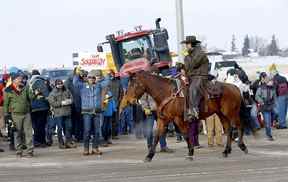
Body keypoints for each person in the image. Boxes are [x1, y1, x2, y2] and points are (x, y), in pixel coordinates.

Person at [3, 72, 34, 157]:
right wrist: (6, 115)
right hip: (15, 115)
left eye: (21, 78)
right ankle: (19, 151)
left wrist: (31, 90)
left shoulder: (26, 87)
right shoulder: (8, 90)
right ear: (14, 80)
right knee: (17, 133)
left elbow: (32, 98)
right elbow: (6, 104)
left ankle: (30, 151)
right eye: (19, 78)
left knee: (28, 133)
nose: (21, 80)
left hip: (26, 113)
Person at [75, 70, 104, 156]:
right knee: (87, 131)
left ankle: (95, 148)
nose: (91, 79)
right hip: (87, 112)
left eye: (93, 77)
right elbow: (75, 82)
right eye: (90, 77)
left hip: (97, 112)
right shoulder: (83, 86)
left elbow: (107, 81)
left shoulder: (99, 86)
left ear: (95, 79)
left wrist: (101, 74)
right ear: (87, 79)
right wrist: (77, 74)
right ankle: (86, 149)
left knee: (97, 132)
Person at [181, 36, 209, 120]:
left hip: (201, 76)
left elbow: (194, 64)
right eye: (186, 44)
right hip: (192, 77)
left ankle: (194, 110)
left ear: (192, 44)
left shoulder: (200, 53)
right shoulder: (190, 55)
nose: (186, 46)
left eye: (187, 44)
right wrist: (181, 66)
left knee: (193, 88)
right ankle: (186, 110)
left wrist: (187, 55)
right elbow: (187, 67)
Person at [47, 79, 76, 149]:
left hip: (67, 112)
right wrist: (61, 103)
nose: (60, 85)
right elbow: (52, 103)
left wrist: (70, 101)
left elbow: (72, 98)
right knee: (59, 128)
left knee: (69, 127)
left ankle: (68, 142)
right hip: (58, 113)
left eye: (61, 84)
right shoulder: (52, 93)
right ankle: (61, 143)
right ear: (56, 85)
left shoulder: (67, 90)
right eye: (58, 84)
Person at [29, 70, 50, 147]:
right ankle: (41, 141)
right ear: (39, 74)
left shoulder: (29, 82)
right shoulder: (39, 81)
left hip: (32, 107)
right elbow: (46, 94)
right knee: (41, 125)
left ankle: (36, 141)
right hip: (41, 106)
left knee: (36, 125)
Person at [256, 73, 276, 141]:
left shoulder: (273, 88)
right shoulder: (261, 88)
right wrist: (261, 101)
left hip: (271, 106)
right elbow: (257, 96)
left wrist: (274, 104)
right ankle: (269, 135)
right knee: (267, 122)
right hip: (264, 106)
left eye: (272, 81)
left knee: (276, 114)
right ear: (267, 81)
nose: (272, 82)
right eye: (271, 81)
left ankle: (271, 123)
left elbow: (274, 97)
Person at [269, 64, 288, 129]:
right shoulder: (284, 77)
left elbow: (274, 89)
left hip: (280, 96)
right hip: (286, 94)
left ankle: (282, 125)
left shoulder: (274, 79)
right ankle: (283, 123)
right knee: (284, 110)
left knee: (280, 110)